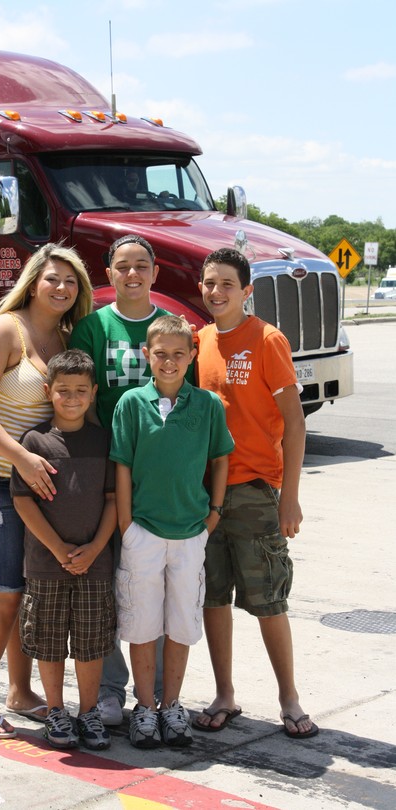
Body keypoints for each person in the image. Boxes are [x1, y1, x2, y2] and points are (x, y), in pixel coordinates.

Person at [0, 244, 93, 739]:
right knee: (4, 594)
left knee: (27, 591)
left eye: (71, 281)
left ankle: (20, 692)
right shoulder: (2, 330)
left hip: (35, 485)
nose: (62, 288)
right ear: (33, 282)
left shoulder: (67, 337)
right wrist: (21, 456)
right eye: (53, 278)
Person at [194, 247, 319, 740]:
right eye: (209, 283)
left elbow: (295, 423)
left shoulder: (267, 340)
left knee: (269, 599)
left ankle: (289, 698)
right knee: (213, 598)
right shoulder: (199, 340)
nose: (217, 291)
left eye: (227, 283)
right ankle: (224, 693)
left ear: (247, 291)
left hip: (255, 491)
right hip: (206, 496)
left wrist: (289, 496)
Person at [110, 315, 234, 748]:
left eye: (179, 354)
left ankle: (171, 704)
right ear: (146, 354)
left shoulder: (208, 404)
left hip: (191, 532)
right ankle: (145, 707)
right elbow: (122, 465)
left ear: (192, 356)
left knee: (181, 622)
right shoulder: (130, 403)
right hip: (143, 531)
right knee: (142, 623)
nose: (169, 362)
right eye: (160, 353)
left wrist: (213, 514)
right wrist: (127, 526)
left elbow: (220, 459)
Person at [69, 233, 173, 726]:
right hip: (105, 470)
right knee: (106, 580)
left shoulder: (171, 327)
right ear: (108, 274)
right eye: (123, 266)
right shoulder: (93, 327)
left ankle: (157, 691)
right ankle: (110, 689)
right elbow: (82, 399)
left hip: (156, 476)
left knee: (152, 583)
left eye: (141, 266)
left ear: (155, 272)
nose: (133, 274)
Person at [10, 349, 117, 750]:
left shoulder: (104, 440)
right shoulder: (33, 441)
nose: (72, 398)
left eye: (80, 390)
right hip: (45, 563)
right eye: (63, 390)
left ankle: (88, 712)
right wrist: (58, 549)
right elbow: (23, 501)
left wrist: (95, 548)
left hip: (95, 564)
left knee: (91, 642)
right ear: (47, 391)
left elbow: (113, 500)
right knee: (49, 640)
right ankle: (56, 710)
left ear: (93, 393)